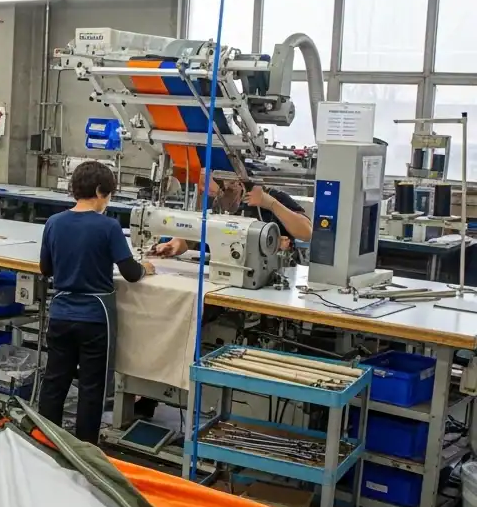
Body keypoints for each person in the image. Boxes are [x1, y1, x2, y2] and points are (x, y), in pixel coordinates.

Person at [37, 160, 154, 446]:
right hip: (94, 318)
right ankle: (86, 449)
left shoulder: (54, 223)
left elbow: (45, 269)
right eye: (109, 195)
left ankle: (43, 441)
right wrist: (146, 267)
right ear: (101, 192)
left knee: (54, 382)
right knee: (92, 388)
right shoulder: (108, 226)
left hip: (62, 314)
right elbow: (130, 272)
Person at [150, 174, 311, 258]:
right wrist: (174, 244)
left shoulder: (271, 197)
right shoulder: (213, 202)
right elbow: (198, 230)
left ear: (237, 184)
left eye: (219, 192)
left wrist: (271, 204)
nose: (213, 196)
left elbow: (306, 233)